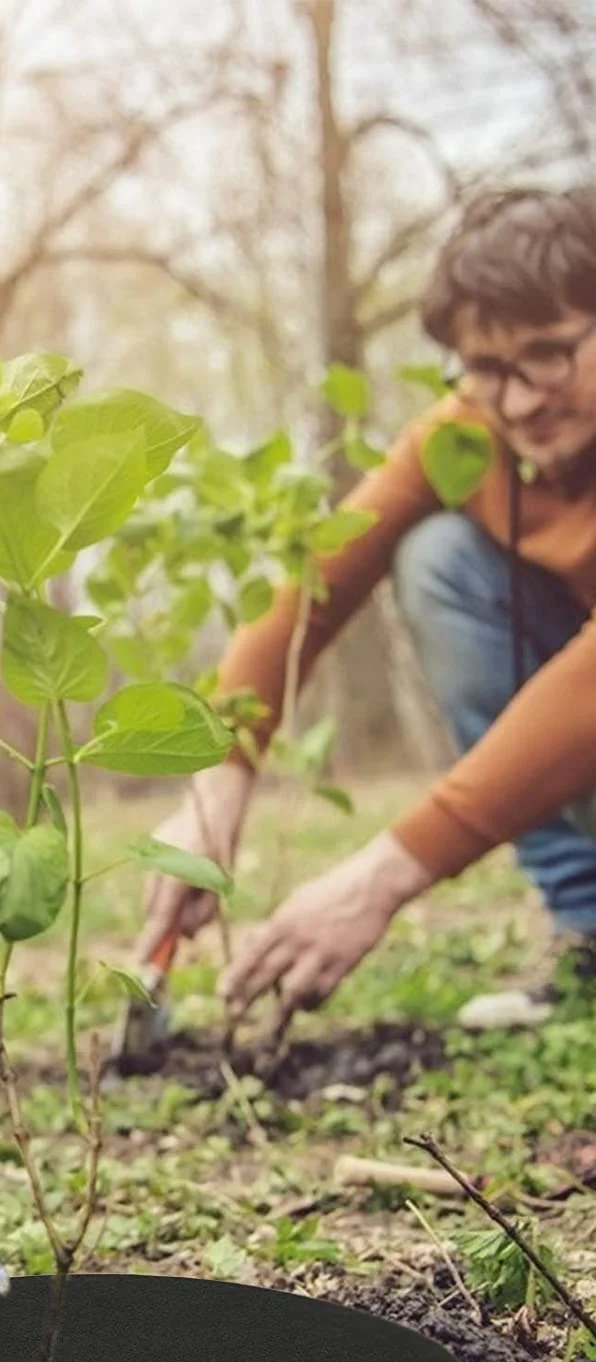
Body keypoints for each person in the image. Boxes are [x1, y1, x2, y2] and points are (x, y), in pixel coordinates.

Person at [140, 185, 596, 1040]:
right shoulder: (465, 436)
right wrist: (220, 777)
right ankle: (590, 934)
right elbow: (312, 586)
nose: (518, 401)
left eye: (548, 355)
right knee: (439, 559)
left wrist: (384, 874)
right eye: (486, 368)